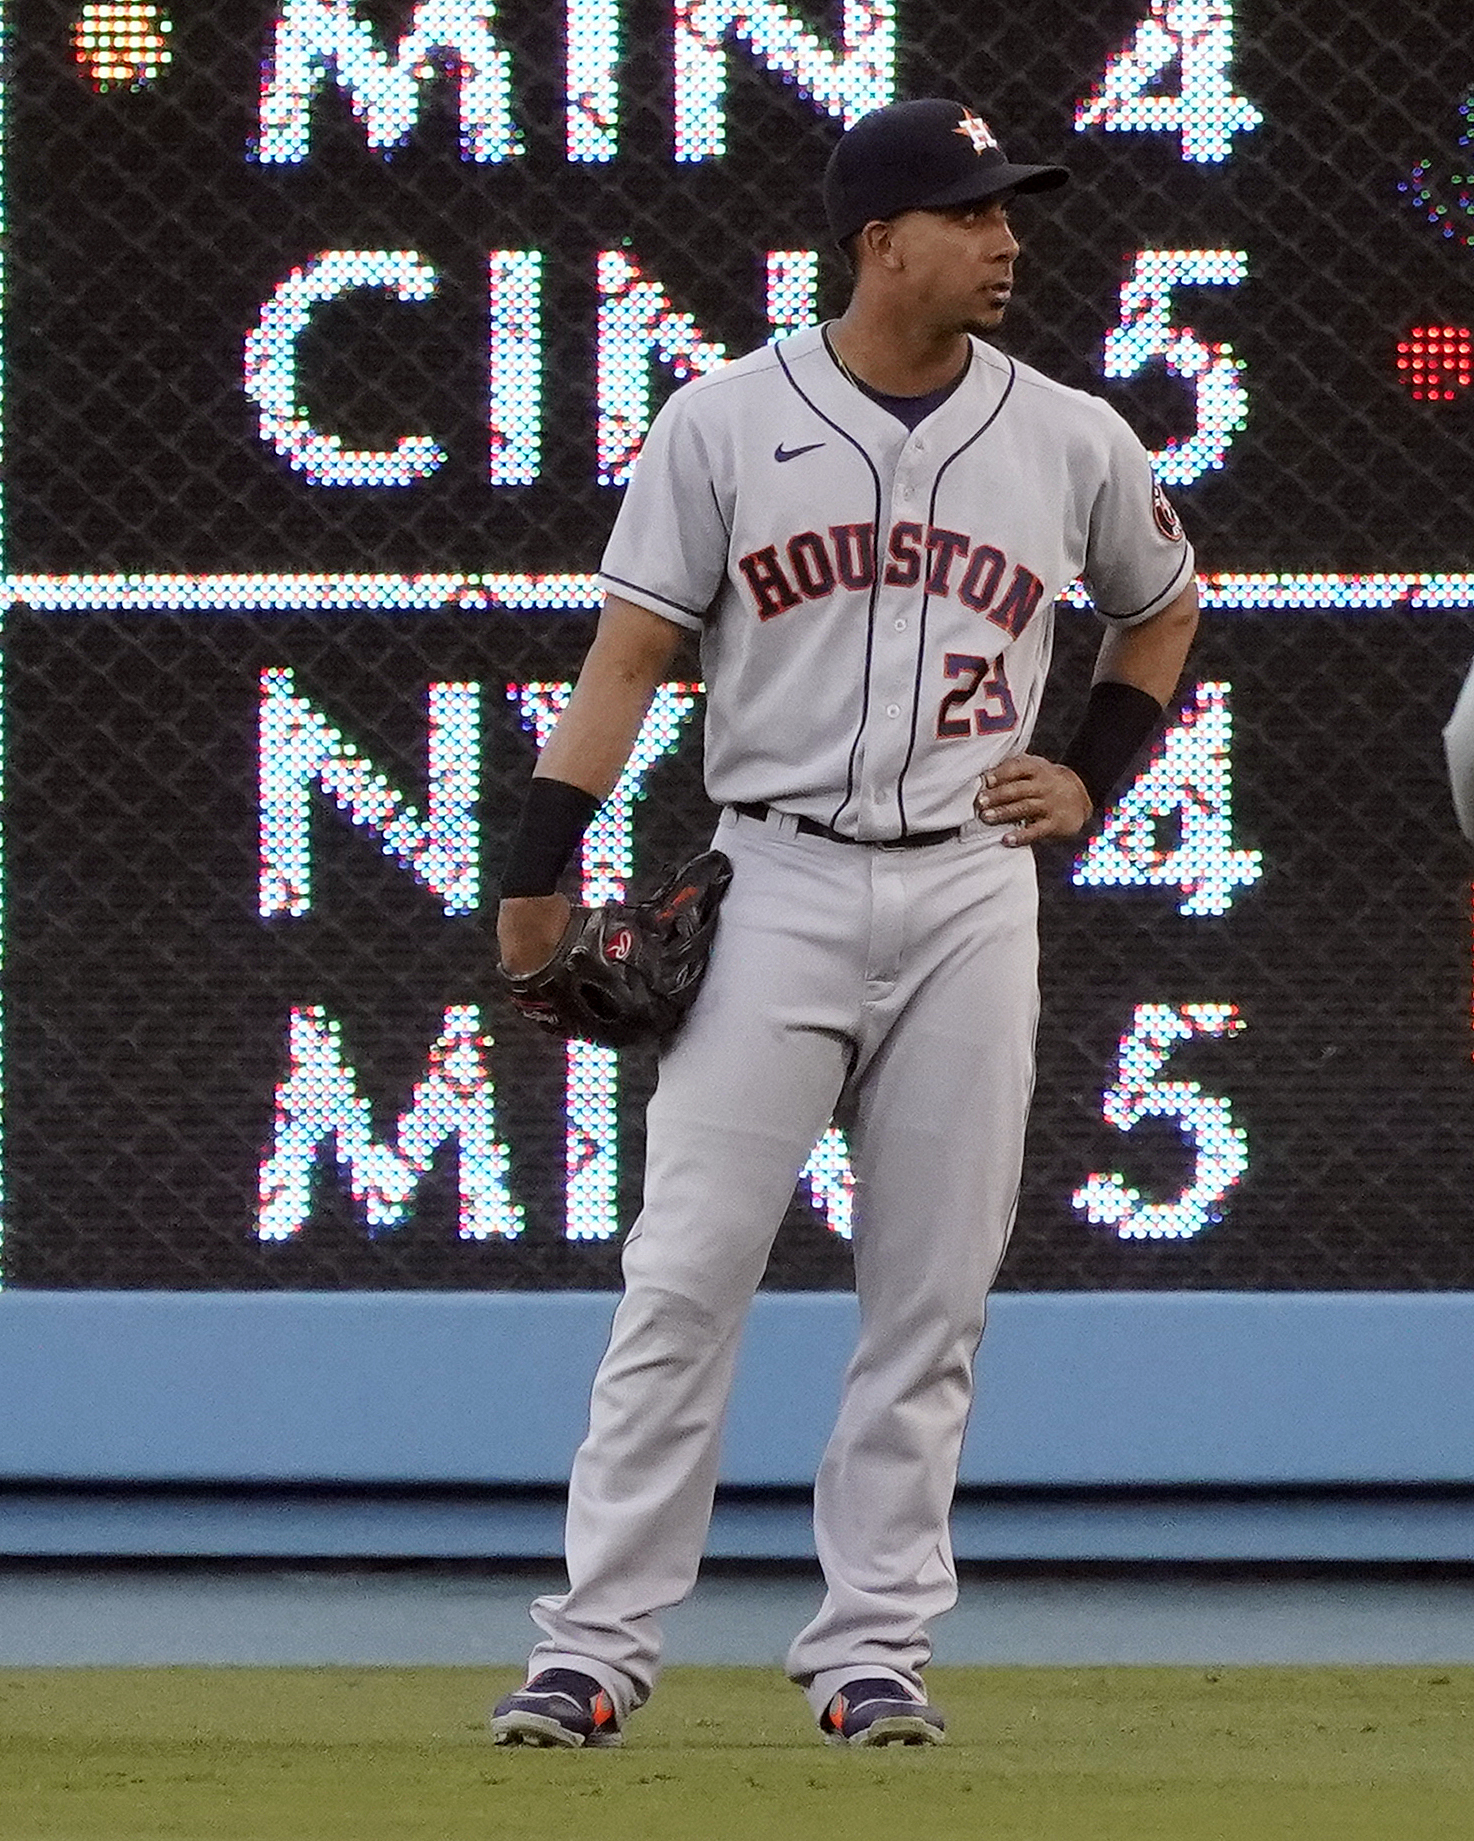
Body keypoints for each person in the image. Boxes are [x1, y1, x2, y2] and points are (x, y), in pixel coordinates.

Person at [485, 97, 1200, 1748]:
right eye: (972, 215)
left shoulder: (1072, 434)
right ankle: (592, 1646)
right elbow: (625, 661)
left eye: (1010, 211)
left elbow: (1161, 606)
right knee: (684, 1273)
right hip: (780, 873)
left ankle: (873, 1645)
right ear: (880, 242)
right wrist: (537, 875)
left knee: (929, 1292)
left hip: (966, 886)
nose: (1008, 239)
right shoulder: (726, 421)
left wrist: (1091, 770)